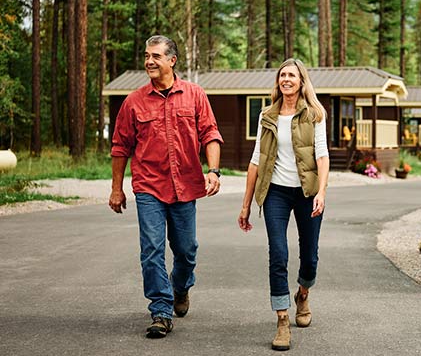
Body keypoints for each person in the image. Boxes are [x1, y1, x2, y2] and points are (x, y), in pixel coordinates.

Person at [109, 35, 223, 339]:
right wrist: (116, 188)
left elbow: (209, 133)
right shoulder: (133, 101)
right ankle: (160, 309)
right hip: (149, 186)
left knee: (186, 251)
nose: (149, 61)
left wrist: (213, 170)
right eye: (146, 56)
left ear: (172, 60)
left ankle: (181, 287)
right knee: (151, 250)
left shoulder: (195, 95)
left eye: (155, 56)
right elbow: (120, 147)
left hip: (186, 184)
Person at [238, 58, 329, 351]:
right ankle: (281, 319)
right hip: (275, 192)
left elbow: (322, 155)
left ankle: (302, 293)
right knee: (278, 253)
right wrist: (246, 204)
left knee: (310, 256)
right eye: (282, 75)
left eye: (291, 75)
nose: (286, 79)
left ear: (301, 81)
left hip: (307, 191)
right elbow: (256, 160)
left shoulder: (315, 114)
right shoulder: (267, 114)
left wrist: (322, 192)